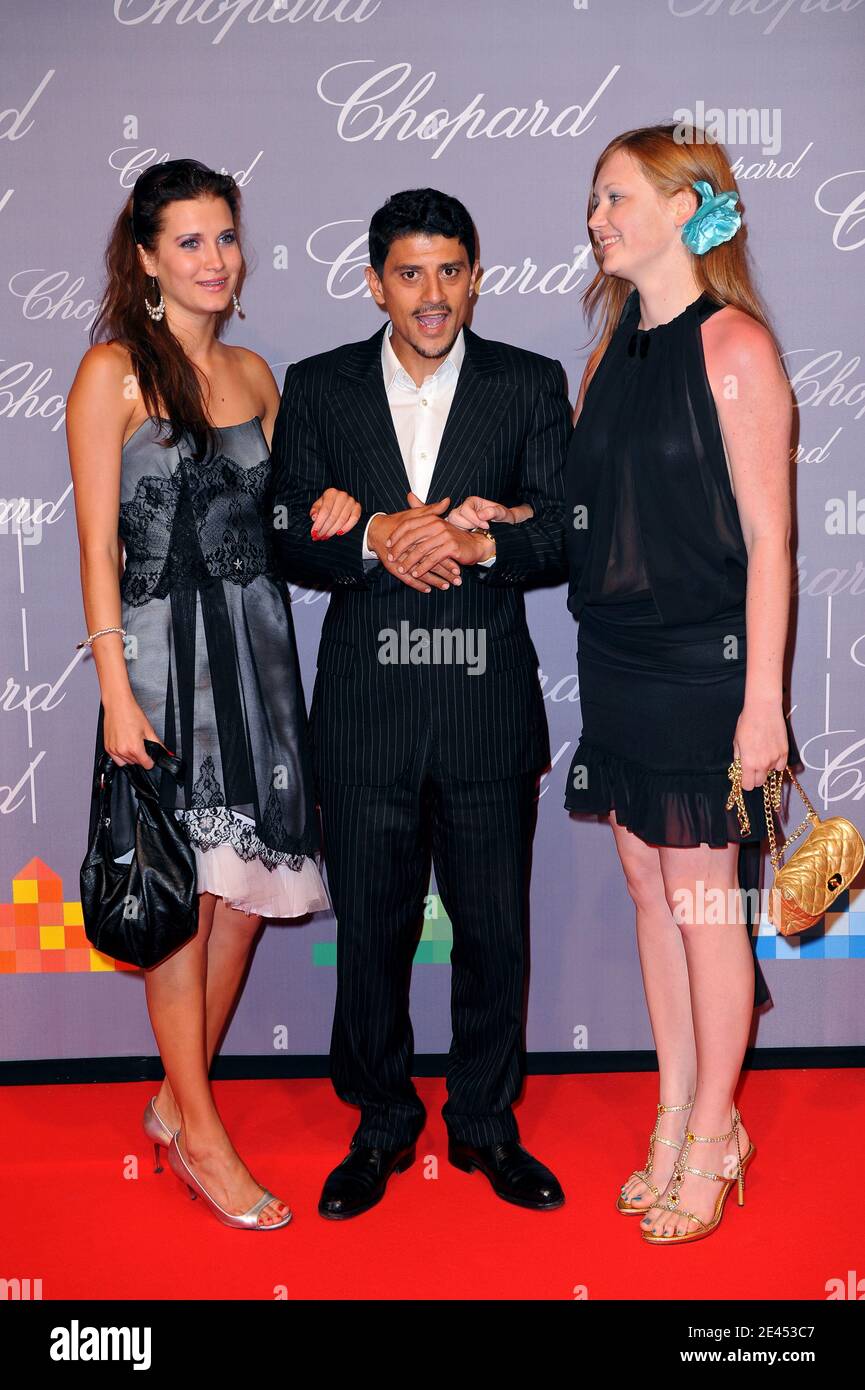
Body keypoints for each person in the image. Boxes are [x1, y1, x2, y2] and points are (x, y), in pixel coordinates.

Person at [67, 159, 359, 1230]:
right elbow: (96, 546)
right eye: (189, 241)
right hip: (155, 664)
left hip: (257, 656)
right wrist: (111, 684)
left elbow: (280, 519)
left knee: (243, 895)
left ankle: (172, 1100)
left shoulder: (254, 372)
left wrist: (325, 501)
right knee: (180, 900)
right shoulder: (110, 376)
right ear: (145, 257)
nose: (215, 260)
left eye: (226, 238)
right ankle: (199, 1130)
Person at [269, 188, 572, 1219]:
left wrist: (476, 540)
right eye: (410, 273)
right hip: (364, 714)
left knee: (493, 932)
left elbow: (567, 530)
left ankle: (485, 1124)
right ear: (375, 283)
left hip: (487, 713)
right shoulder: (316, 388)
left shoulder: (530, 385)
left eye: (450, 270)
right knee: (373, 937)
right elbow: (280, 534)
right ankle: (381, 1123)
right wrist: (372, 539)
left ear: (476, 276)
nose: (432, 293)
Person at [564, 125, 798, 1244]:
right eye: (594, 201)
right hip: (613, 665)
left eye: (616, 197)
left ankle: (714, 1132)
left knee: (709, 907)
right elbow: (593, 518)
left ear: (684, 207)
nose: (598, 217)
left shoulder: (735, 346)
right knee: (654, 897)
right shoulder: (610, 351)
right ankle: (673, 1111)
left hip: (705, 673)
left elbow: (769, 542)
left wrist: (763, 704)